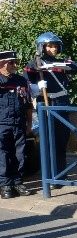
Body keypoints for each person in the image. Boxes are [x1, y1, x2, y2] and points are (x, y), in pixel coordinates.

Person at [23, 32, 77, 176]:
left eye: (56, 46)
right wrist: (37, 86)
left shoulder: (61, 62)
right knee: (48, 139)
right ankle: (49, 174)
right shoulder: (34, 64)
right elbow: (26, 85)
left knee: (62, 139)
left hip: (62, 103)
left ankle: (61, 172)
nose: (54, 49)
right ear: (41, 47)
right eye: (50, 46)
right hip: (46, 103)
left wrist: (67, 65)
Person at [0, 50, 35, 199]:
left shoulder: (21, 81)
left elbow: (27, 104)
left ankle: (17, 182)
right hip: (1, 123)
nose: (15, 65)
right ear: (1, 64)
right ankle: (5, 184)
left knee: (19, 154)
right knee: (3, 155)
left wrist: (29, 124)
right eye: (11, 62)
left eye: (16, 62)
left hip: (18, 123)